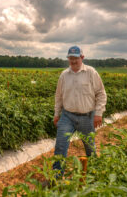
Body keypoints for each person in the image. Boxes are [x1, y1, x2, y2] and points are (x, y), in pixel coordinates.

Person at [52, 45, 107, 175]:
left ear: (82, 57)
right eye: (71, 58)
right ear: (68, 59)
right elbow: (59, 96)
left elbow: (101, 93)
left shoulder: (91, 72)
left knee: (90, 147)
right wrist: (56, 114)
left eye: (76, 58)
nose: (73, 61)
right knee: (60, 145)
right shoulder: (64, 75)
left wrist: (98, 113)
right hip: (67, 116)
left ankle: (93, 173)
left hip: (87, 117)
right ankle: (56, 176)